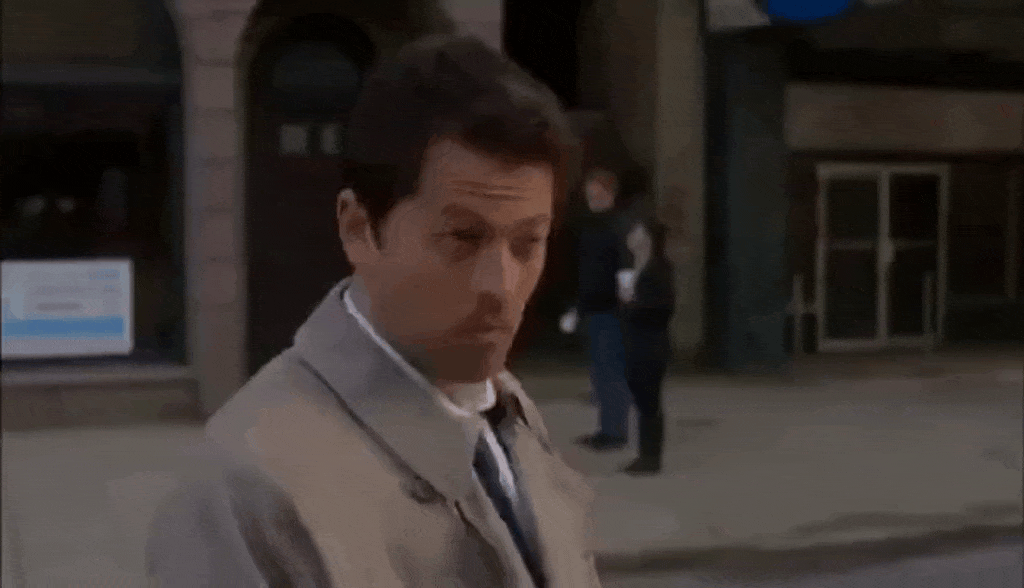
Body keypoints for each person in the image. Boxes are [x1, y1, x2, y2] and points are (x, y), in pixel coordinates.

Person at [145, 35, 602, 587]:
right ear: (359, 228)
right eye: (462, 238)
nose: (501, 287)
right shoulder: (242, 492)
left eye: (528, 243)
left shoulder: (511, 415)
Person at [559, 168, 634, 451]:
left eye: (597, 192)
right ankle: (608, 429)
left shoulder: (615, 225)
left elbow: (623, 263)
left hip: (609, 307)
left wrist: (625, 293)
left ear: (610, 193)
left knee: (609, 372)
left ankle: (613, 432)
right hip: (594, 305)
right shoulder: (591, 225)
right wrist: (576, 307)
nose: (592, 197)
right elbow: (585, 270)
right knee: (601, 372)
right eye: (590, 192)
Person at [618, 218, 675, 475]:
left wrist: (632, 305)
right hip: (636, 340)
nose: (632, 236)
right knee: (641, 401)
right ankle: (644, 454)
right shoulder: (636, 266)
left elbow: (663, 307)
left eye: (637, 232)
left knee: (649, 402)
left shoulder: (659, 268)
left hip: (651, 343)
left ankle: (651, 458)